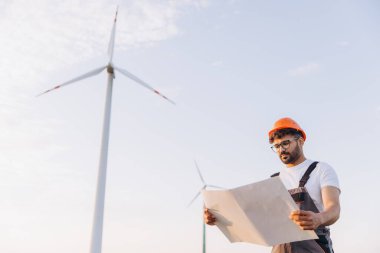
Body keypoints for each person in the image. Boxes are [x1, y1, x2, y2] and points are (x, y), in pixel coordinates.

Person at [204, 117, 341, 253]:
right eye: (276, 146)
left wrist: (319, 218)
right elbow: (253, 218)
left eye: (285, 143)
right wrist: (218, 217)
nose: (281, 149)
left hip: (314, 248)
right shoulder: (273, 181)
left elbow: (334, 208)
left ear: (300, 141)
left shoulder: (321, 170)